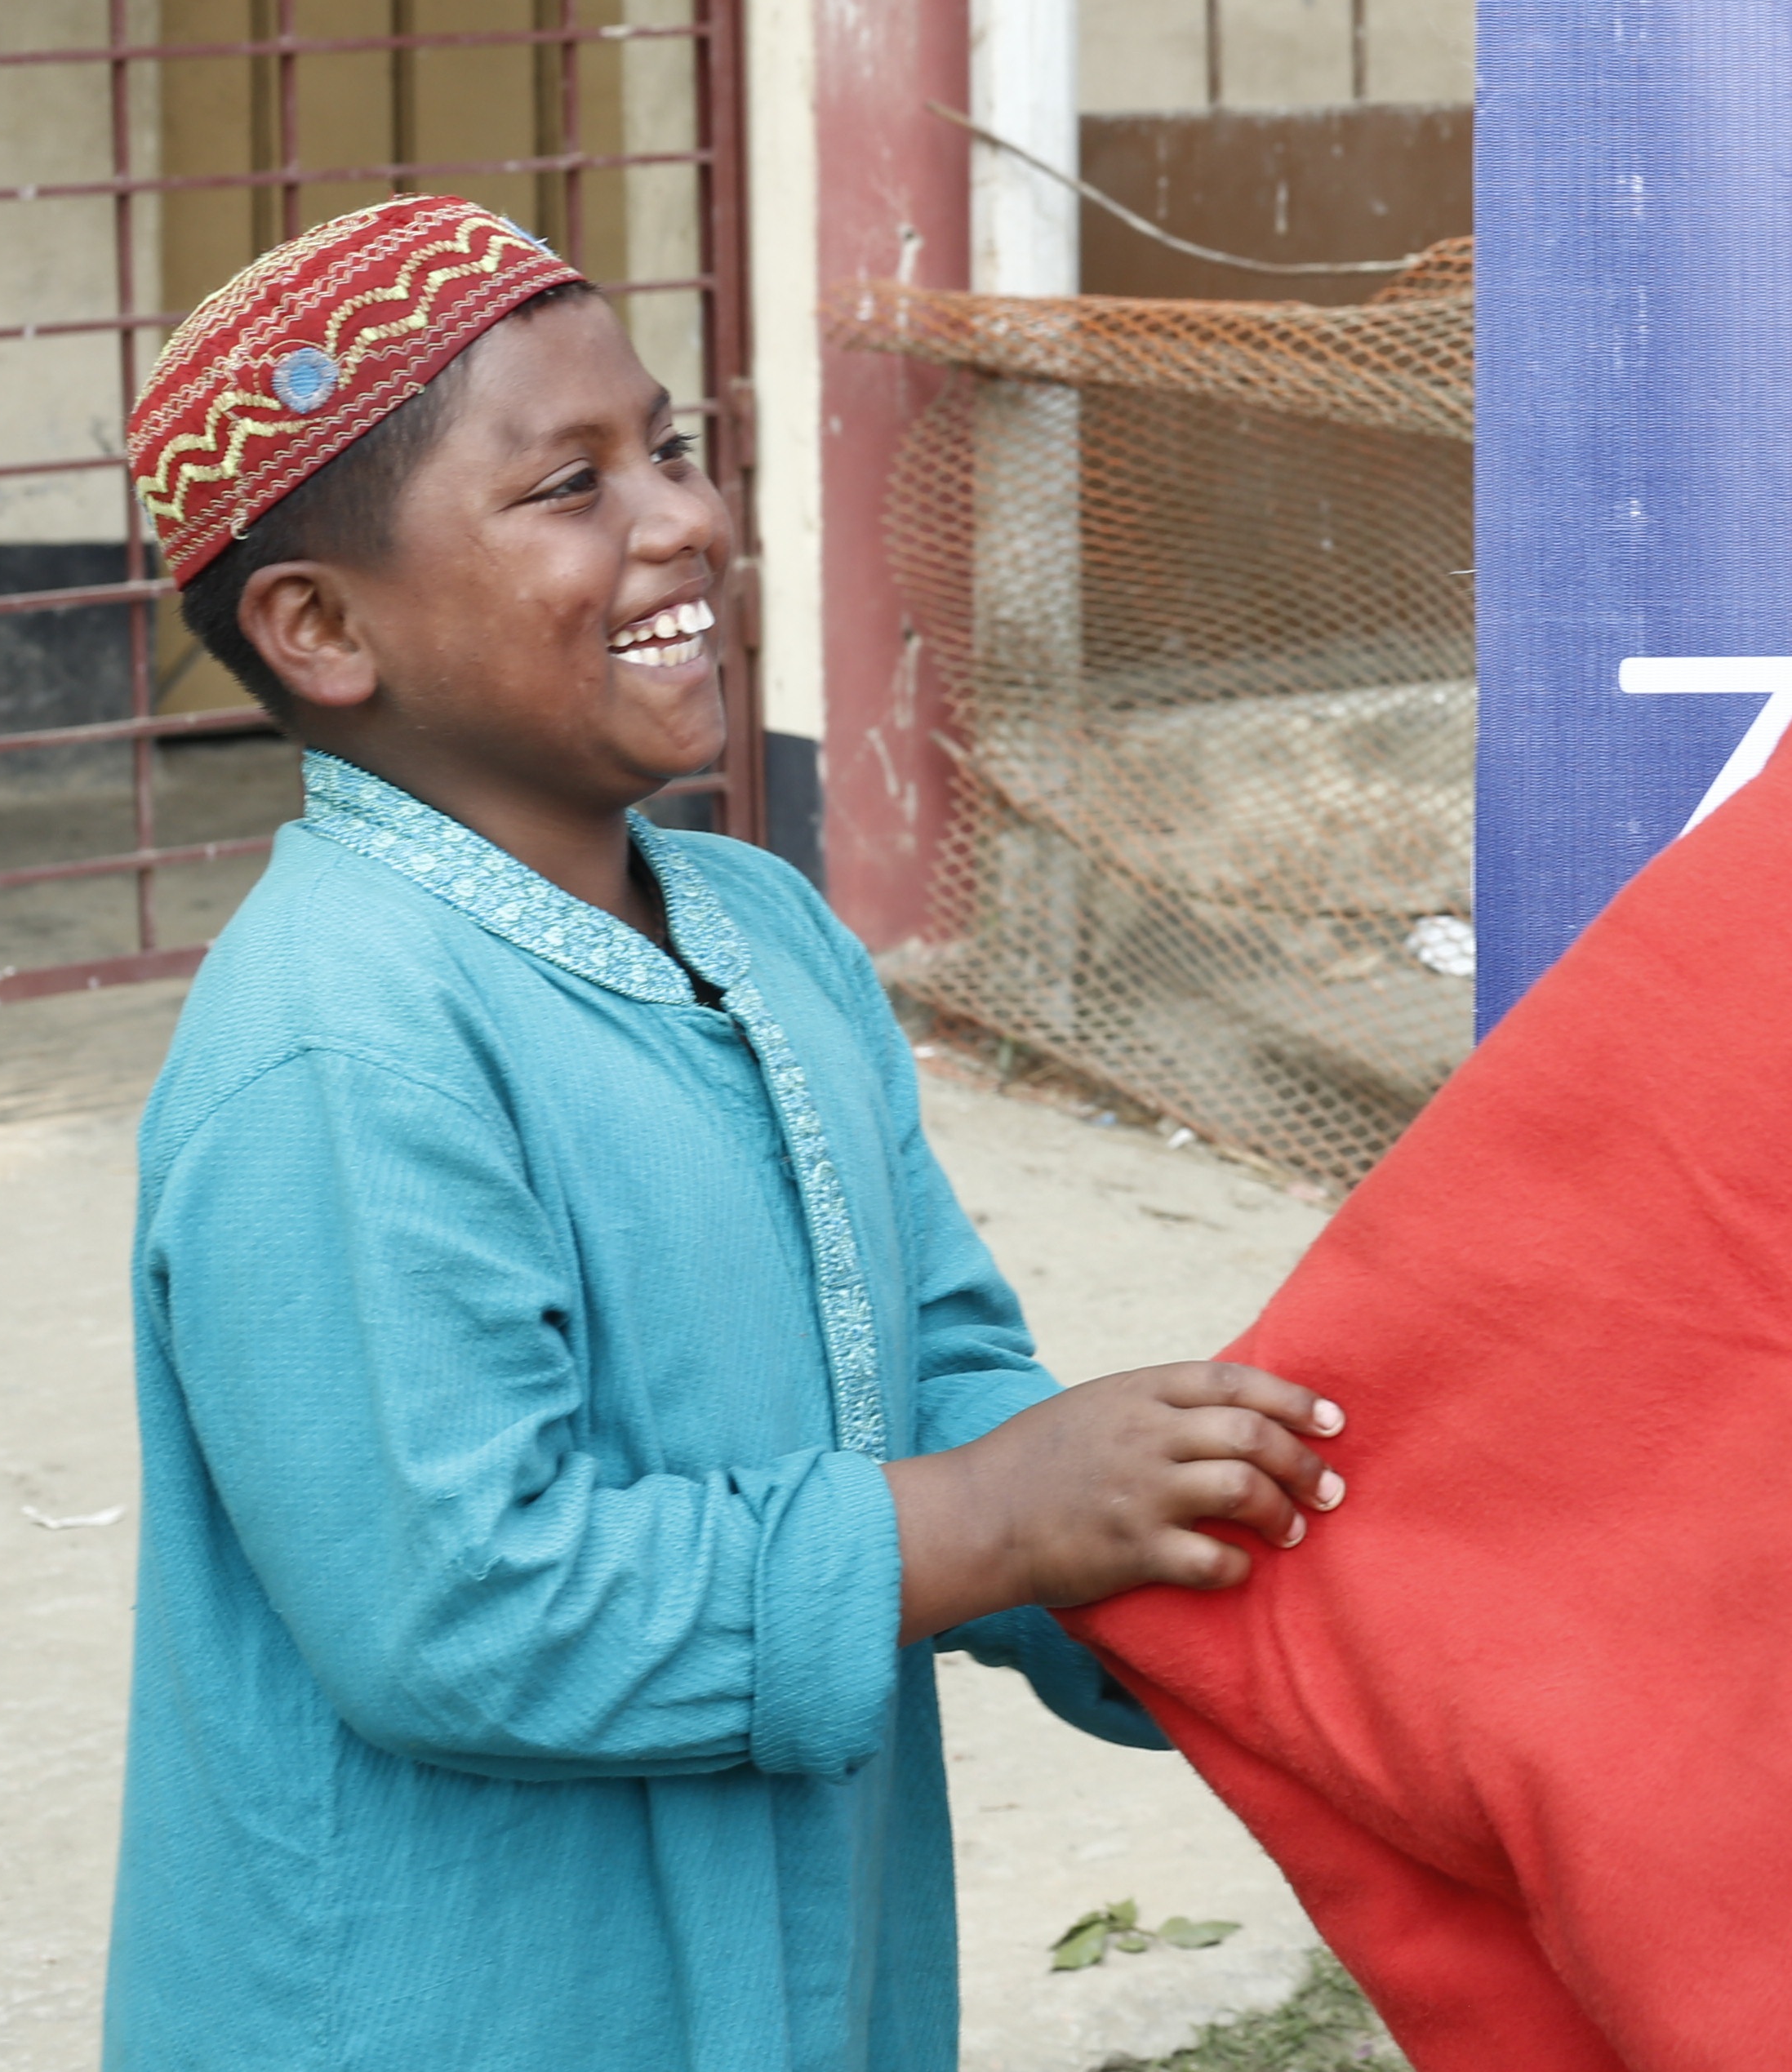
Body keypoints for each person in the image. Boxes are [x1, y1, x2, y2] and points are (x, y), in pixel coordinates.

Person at [103, 197, 1344, 2072]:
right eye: (567, 486)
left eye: (668, 447)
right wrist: (990, 1524)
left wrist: (1137, 1566)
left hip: (794, 1982)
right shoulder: (342, 1044)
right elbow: (463, 1607)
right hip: (462, 2012)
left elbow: (936, 1362)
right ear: (322, 627)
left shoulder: (763, 933)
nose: (682, 517)